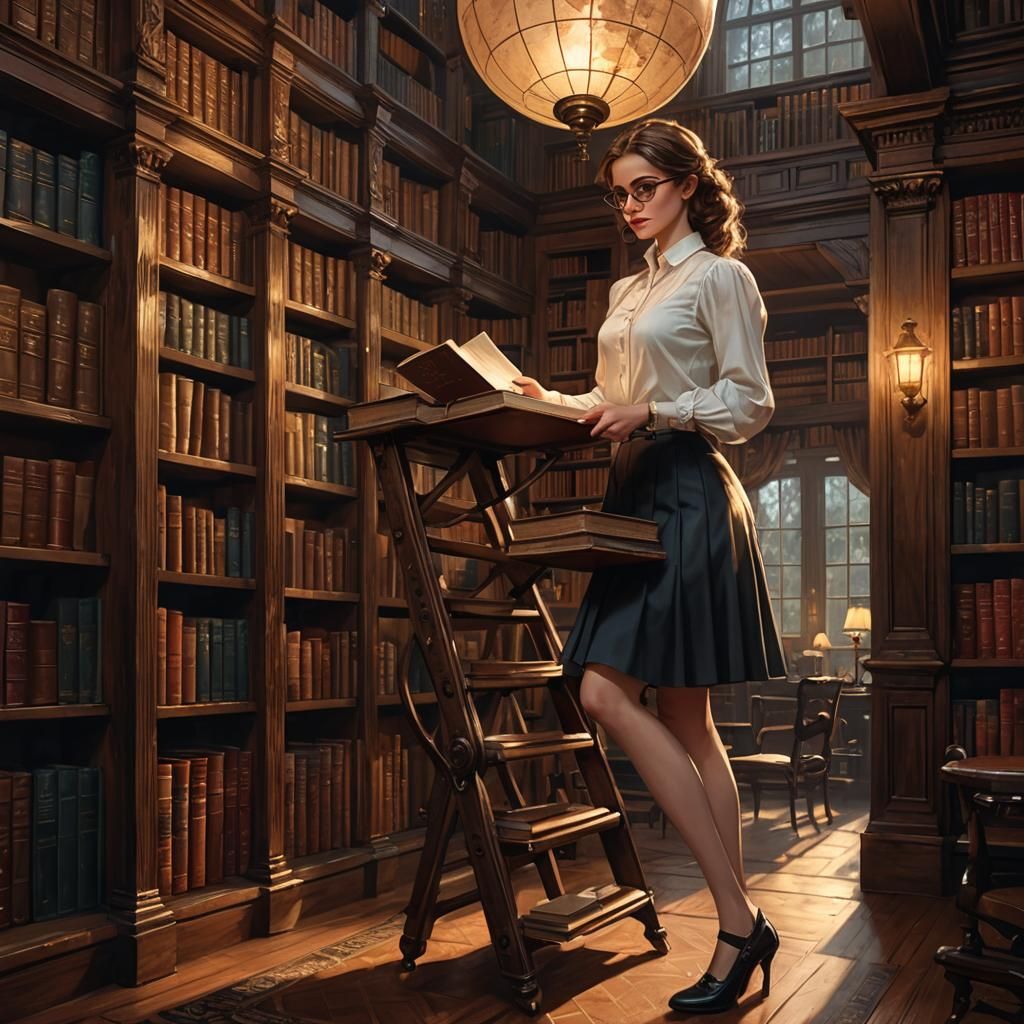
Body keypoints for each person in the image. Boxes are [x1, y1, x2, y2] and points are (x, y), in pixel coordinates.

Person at [513, 118, 785, 1015]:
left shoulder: (721, 277)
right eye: (621, 191)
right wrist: (549, 399)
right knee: (689, 724)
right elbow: (610, 400)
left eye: (646, 188)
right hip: (634, 499)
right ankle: (741, 929)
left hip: (691, 496)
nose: (631, 204)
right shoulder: (631, 290)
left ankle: (739, 924)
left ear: (687, 188)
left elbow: (748, 403)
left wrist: (658, 414)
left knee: (599, 692)